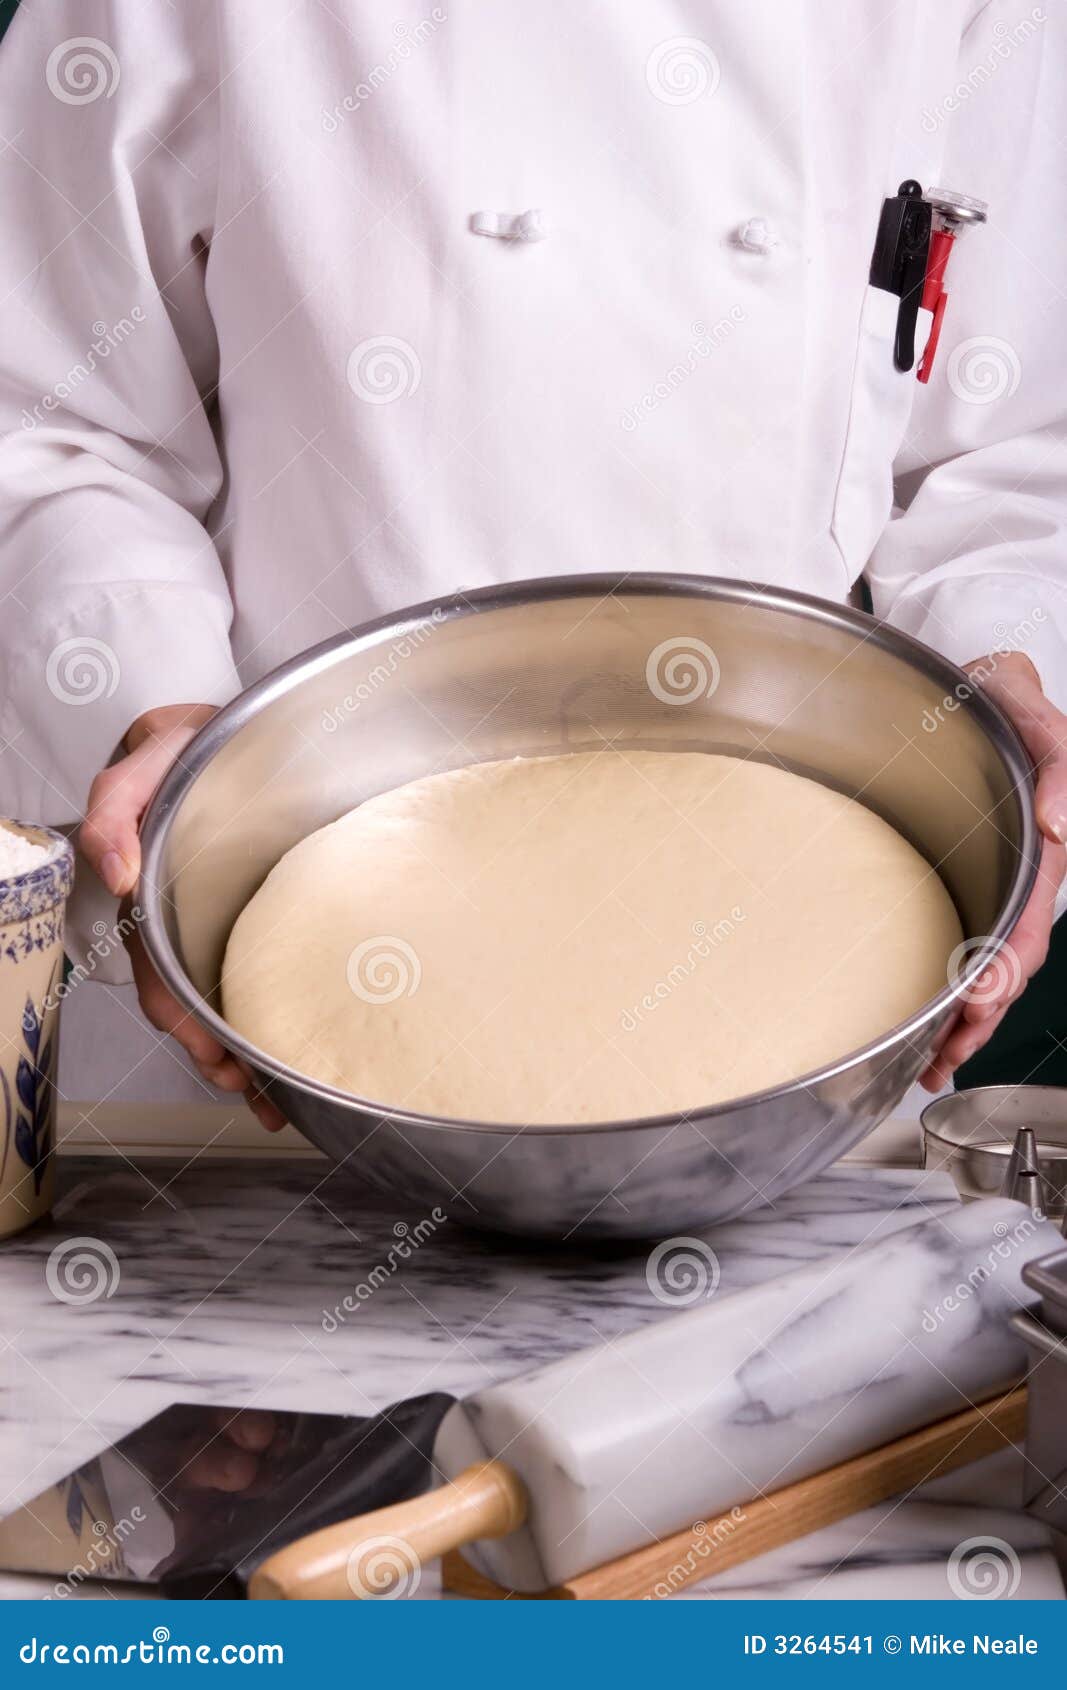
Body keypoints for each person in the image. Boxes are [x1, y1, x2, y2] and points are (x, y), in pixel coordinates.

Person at [1, 2, 1064, 1129]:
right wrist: (159, 730)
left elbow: (1005, 448)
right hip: (254, 988)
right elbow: (47, 412)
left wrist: (1000, 688)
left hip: (804, 1042)